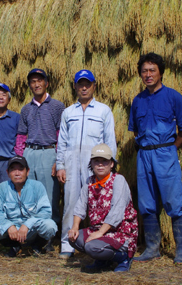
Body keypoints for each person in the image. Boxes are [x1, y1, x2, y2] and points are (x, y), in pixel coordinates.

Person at [128, 52, 182, 264]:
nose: (148, 74)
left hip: (166, 153)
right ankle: (152, 249)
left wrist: (170, 149)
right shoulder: (137, 101)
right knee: (146, 203)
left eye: (152, 70)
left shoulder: (174, 97)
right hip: (144, 154)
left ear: (160, 72)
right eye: (144, 71)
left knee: (174, 202)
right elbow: (135, 130)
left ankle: (180, 252)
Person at [56, 69, 117, 259]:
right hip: (72, 164)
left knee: (99, 204)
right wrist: (60, 165)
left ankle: (99, 244)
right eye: (80, 84)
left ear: (94, 85)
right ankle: (68, 244)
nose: (84, 87)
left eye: (87, 84)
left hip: (96, 165)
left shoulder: (104, 110)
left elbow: (110, 140)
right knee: (71, 204)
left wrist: (109, 166)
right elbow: (62, 142)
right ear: (75, 86)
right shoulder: (68, 112)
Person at [15, 69, 65, 250]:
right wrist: (20, 160)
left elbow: (62, 135)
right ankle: (32, 235)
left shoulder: (57, 106)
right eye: (32, 82)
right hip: (30, 153)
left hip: (48, 152)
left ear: (46, 83)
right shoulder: (26, 109)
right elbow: (21, 135)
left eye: (39, 81)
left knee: (49, 197)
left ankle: (48, 236)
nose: (36, 84)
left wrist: (58, 161)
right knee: (31, 196)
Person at [68, 144, 138, 272]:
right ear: (92, 164)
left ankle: (124, 257)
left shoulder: (118, 180)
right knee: (73, 239)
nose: (100, 165)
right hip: (98, 229)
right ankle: (103, 260)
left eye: (104, 161)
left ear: (111, 164)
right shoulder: (90, 181)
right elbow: (80, 205)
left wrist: (100, 233)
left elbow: (117, 211)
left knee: (91, 247)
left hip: (119, 232)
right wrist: (75, 227)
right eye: (96, 161)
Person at [0, 155, 58, 257]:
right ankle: (14, 246)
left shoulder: (37, 186)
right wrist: (9, 226)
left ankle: (36, 245)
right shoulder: (2, 188)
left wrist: (27, 225)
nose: (17, 173)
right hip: (12, 231)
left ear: (27, 172)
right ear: (8, 173)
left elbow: (45, 212)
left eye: (20, 170)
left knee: (50, 226)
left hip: (31, 230)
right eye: (13, 170)